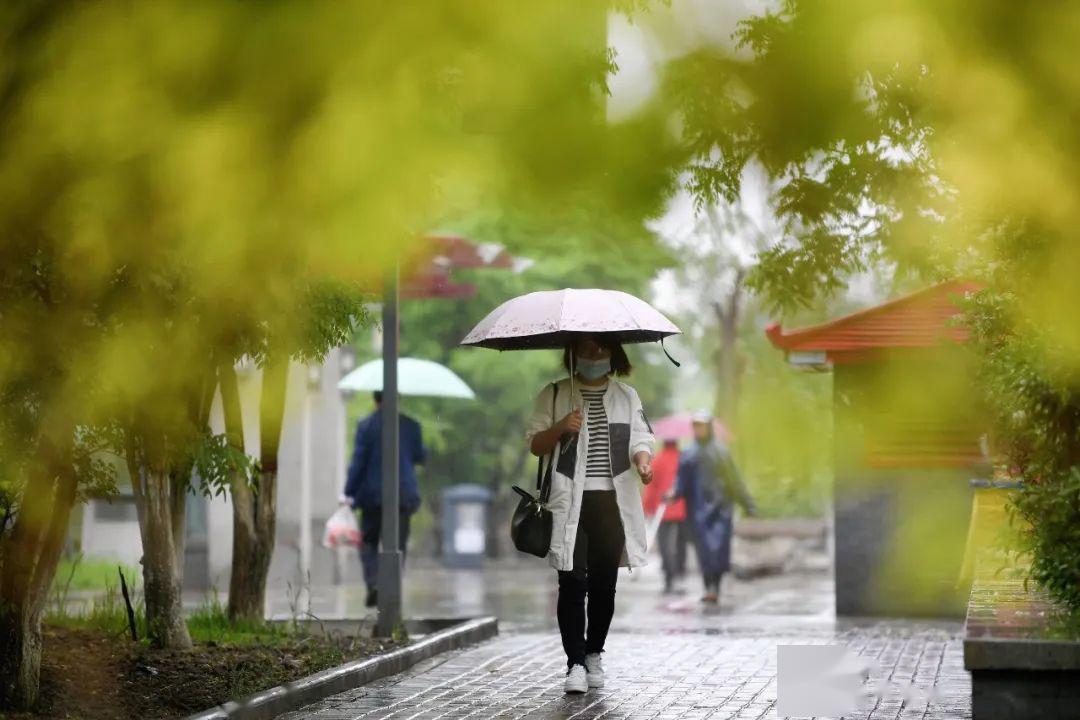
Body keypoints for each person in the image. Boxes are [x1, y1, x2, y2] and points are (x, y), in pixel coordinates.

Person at [526, 334, 655, 695]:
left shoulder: (627, 397)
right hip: (571, 503)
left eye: (600, 348)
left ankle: (595, 652)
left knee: (603, 586)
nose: (593, 355)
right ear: (573, 354)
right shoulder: (554, 394)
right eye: (585, 349)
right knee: (571, 582)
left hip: (612, 503)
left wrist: (644, 464)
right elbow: (535, 444)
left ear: (613, 353)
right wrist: (560, 426)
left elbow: (641, 441)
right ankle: (575, 664)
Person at [340, 391, 425, 608]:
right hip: (402, 496)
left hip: (372, 496)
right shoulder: (411, 425)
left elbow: (358, 462)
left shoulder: (366, 425)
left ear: (375, 400)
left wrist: (348, 493)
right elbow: (421, 457)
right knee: (398, 544)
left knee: (368, 542)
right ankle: (392, 588)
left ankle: (374, 583)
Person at [671, 410, 756, 605]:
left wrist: (747, 504)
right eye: (696, 426)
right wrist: (673, 494)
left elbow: (734, 480)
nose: (699, 429)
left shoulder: (722, 452)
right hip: (697, 510)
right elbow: (680, 481)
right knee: (703, 550)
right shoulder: (688, 454)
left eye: (701, 425)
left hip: (721, 508)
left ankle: (714, 587)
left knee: (718, 549)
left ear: (708, 427)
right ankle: (709, 586)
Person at [641, 438, 689, 593]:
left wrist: (647, 507)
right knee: (681, 543)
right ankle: (680, 572)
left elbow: (651, 486)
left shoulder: (658, 460)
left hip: (663, 509)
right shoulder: (684, 458)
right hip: (682, 508)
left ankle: (669, 576)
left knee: (665, 545)